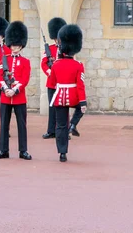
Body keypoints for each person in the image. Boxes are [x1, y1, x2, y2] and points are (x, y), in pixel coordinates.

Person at [0, 21, 32, 161]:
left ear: (21, 45)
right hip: (5, 97)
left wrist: (14, 90)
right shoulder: (4, 60)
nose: (15, 48)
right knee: (4, 125)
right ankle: (3, 150)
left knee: (21, 125)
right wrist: (5, 88)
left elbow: (25, 79)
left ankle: (23, 150)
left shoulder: (25, 61)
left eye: (17, 45)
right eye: (13, 45)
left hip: (19, 97)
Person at [47, 24, 86, 162]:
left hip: (59, 96)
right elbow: (80, 85)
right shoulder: (78, 65)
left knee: (61, 125)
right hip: (73, 94)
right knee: (80, 110)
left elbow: (52, 83)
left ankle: (62, 153)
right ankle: (74, 124)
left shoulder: (56, 64)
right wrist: (83, 102)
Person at [41, 17, 66, 139]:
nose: (57, 41)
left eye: (59, 38)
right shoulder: (49, 49)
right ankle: (51, 130)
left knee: (63, 107)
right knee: (52, 107)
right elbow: (43, 63)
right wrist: (49, 72)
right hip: (51, 83)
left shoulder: (66, 49)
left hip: (62, 83)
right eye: (56, 38)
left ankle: (63, 130)